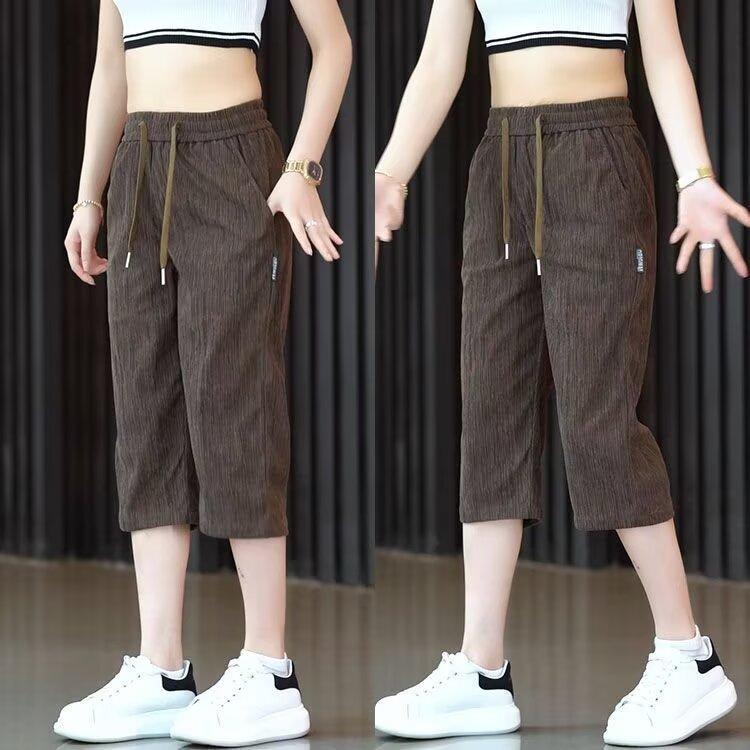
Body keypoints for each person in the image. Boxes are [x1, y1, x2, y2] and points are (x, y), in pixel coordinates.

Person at [373, 0, 749, 746]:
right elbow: (440, 58)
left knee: (599, 421)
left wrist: (695, 174)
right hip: (500, 163)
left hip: (596, 154)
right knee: (491, 414)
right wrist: (391, 171)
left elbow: (663, 52)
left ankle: (688, 655)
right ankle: (482, 669)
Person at [53, 1, 351, 746]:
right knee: (146, 417)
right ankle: (162, 669)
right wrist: (89, 196)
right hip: (138, 167)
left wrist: (301, 167)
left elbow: (335, 46)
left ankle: (269, 668)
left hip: (232, 157)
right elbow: (111, 69)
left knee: (236, 407)